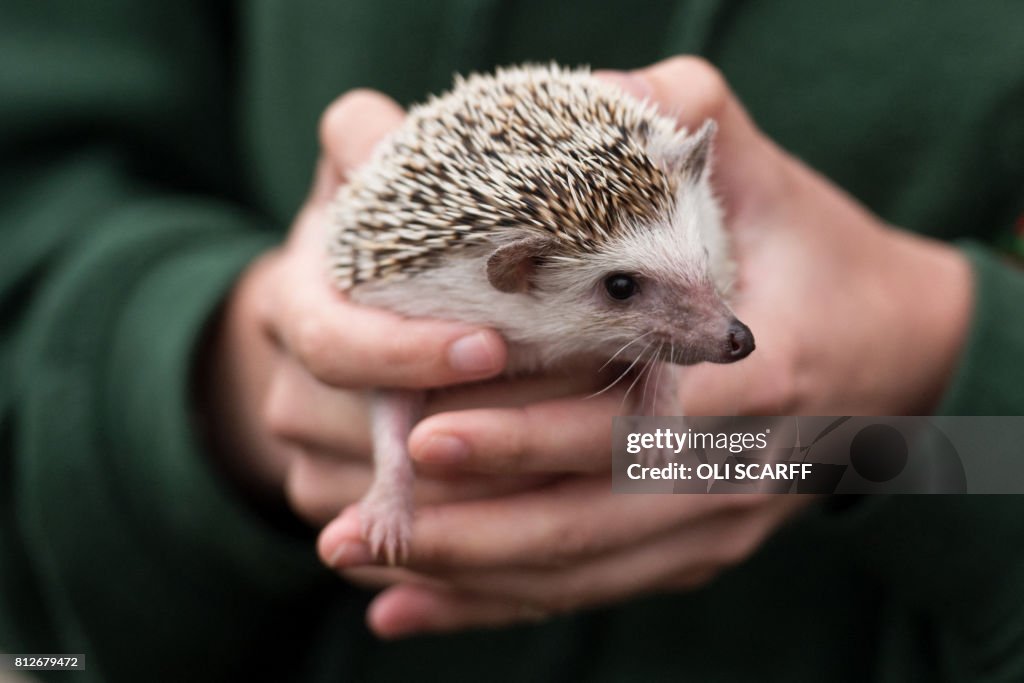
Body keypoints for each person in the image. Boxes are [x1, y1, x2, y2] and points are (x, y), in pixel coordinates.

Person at [2, 2, 1022, 681]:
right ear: (515, 277)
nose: (724, 332)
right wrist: (202, 386)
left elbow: (951, 439)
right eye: (627, 290)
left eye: (697, 281)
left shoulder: (670, 238)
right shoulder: (445, 281)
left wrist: (930, 401)